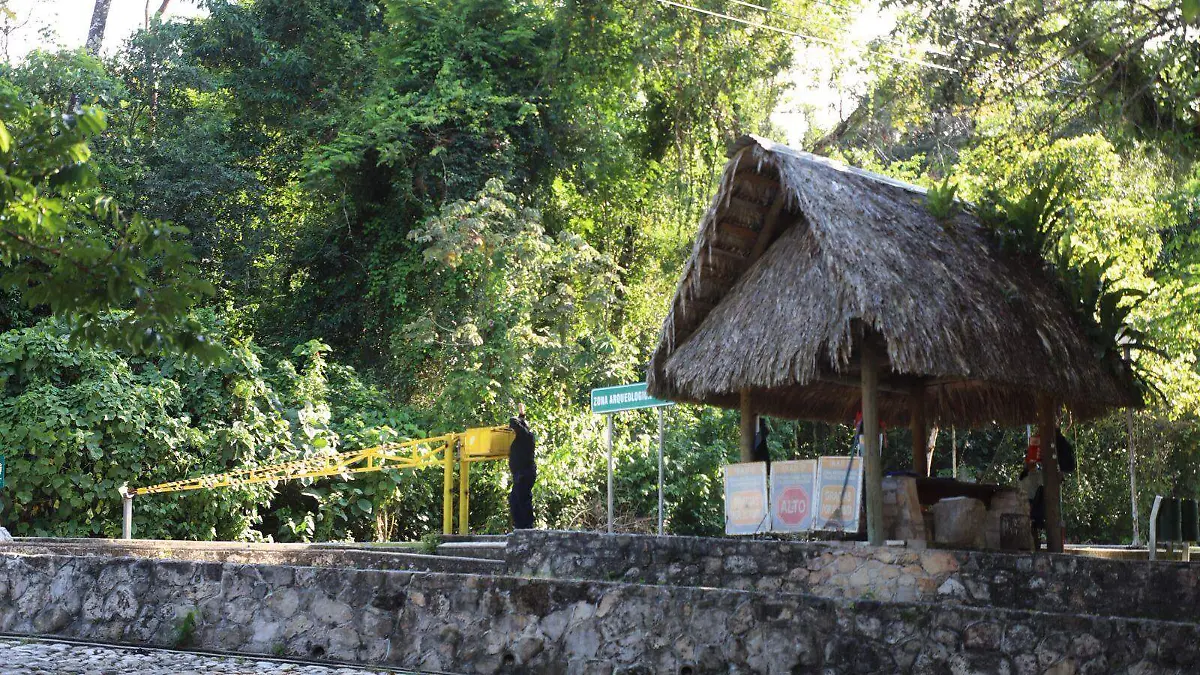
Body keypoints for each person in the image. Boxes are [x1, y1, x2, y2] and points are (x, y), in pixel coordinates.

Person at [508, 402, 536, 530]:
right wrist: (522, 415)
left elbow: (515, 423)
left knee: (522, 499)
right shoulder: (522, 437)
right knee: (515, 499)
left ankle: (526, 527)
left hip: (525, 473)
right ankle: (520, 527)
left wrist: (520, 417)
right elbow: (520, 425)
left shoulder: (527, 437)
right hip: (520, 473)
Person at [1019, 437, 1046, 551]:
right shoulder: (1022, 476)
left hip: (1035, 505)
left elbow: (1041, 489)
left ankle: (1035, 546)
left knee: (1034, 527)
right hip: (1024, 503)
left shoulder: (1039, 475)